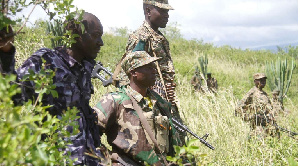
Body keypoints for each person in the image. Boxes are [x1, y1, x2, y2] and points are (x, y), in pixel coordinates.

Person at [16, 12, 105, 165]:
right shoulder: (46, 61)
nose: (101, 42)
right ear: (76, 35)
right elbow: (12, 95)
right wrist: (5, 56)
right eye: (96, 35)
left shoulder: (85, 67)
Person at [94, 51, 181, 166]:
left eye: (154, 67)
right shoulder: (115, 100)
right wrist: (109, 160)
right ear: (133, 72)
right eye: (148, 67)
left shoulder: (159, 103)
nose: (154, 71)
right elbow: (88, 133)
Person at [235, 73, 279, 138]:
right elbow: (238, 107)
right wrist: (251, 117)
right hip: (258, 128)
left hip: (268, 125)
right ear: (255, 81)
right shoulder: (252, 92)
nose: (263, 82)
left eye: (264, 80)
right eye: (260, 80)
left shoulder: (264, 93)